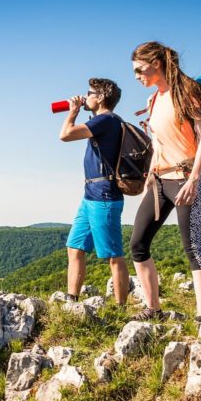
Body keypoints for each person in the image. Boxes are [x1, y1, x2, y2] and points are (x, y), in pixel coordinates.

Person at [128, 41, 201, 322]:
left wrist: (194, 179)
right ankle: (153, 309)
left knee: (193, 248)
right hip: (159, 181)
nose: (137, 76)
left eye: (140, 70)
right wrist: (150, 176)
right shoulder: (154, 99)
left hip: (185, 179)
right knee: (138, 244)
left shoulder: (188, 91)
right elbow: (158, 141)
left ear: (156, 63)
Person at [58, 78, 129, 306]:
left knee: (113, 255)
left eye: (89, 93)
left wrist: (73, 111)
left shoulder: (106, 120)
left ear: (100, 97)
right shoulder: (105, 121)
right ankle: (72, 300)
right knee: (75, 247)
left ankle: (120, 308)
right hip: (91, 195)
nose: (85, 96)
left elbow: (65, 134)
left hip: (104, 197)